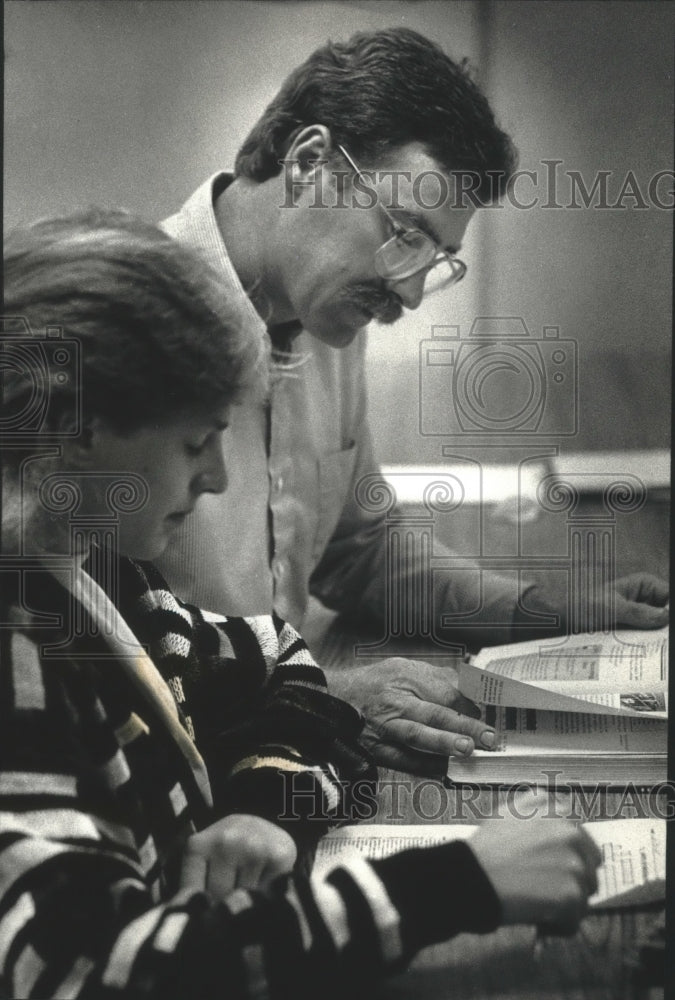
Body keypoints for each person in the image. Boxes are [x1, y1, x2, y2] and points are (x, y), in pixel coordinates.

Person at [0, 211, 602, 999]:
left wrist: (259, 808)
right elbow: (107, 970)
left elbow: (283, 663)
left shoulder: (106, 574)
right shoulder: (23, 669)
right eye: (194, 444)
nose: (217, 478)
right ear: (79, 433)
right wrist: (459, 885)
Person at [155, 26, 670, 775]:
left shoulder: (323, 314)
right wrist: (323, 692)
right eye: (403, 236)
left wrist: (558, 615)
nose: (405, 293)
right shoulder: (115, 328)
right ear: (307, 163)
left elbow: (363, 554)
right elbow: (75, 649)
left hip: (285, 757)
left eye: (434, 262)